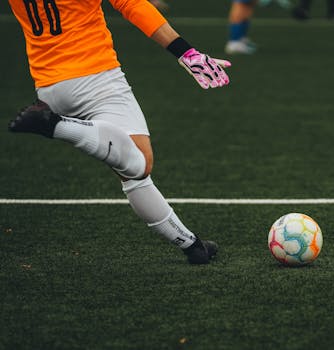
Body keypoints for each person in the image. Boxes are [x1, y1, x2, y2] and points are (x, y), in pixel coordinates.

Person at [7, 0, 231, 264]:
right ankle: (54, 124)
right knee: (139, 164)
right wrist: (186, 52)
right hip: (96, 77)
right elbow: (131, 4)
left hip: (48, 86)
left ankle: (192, 246)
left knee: (128, 167)